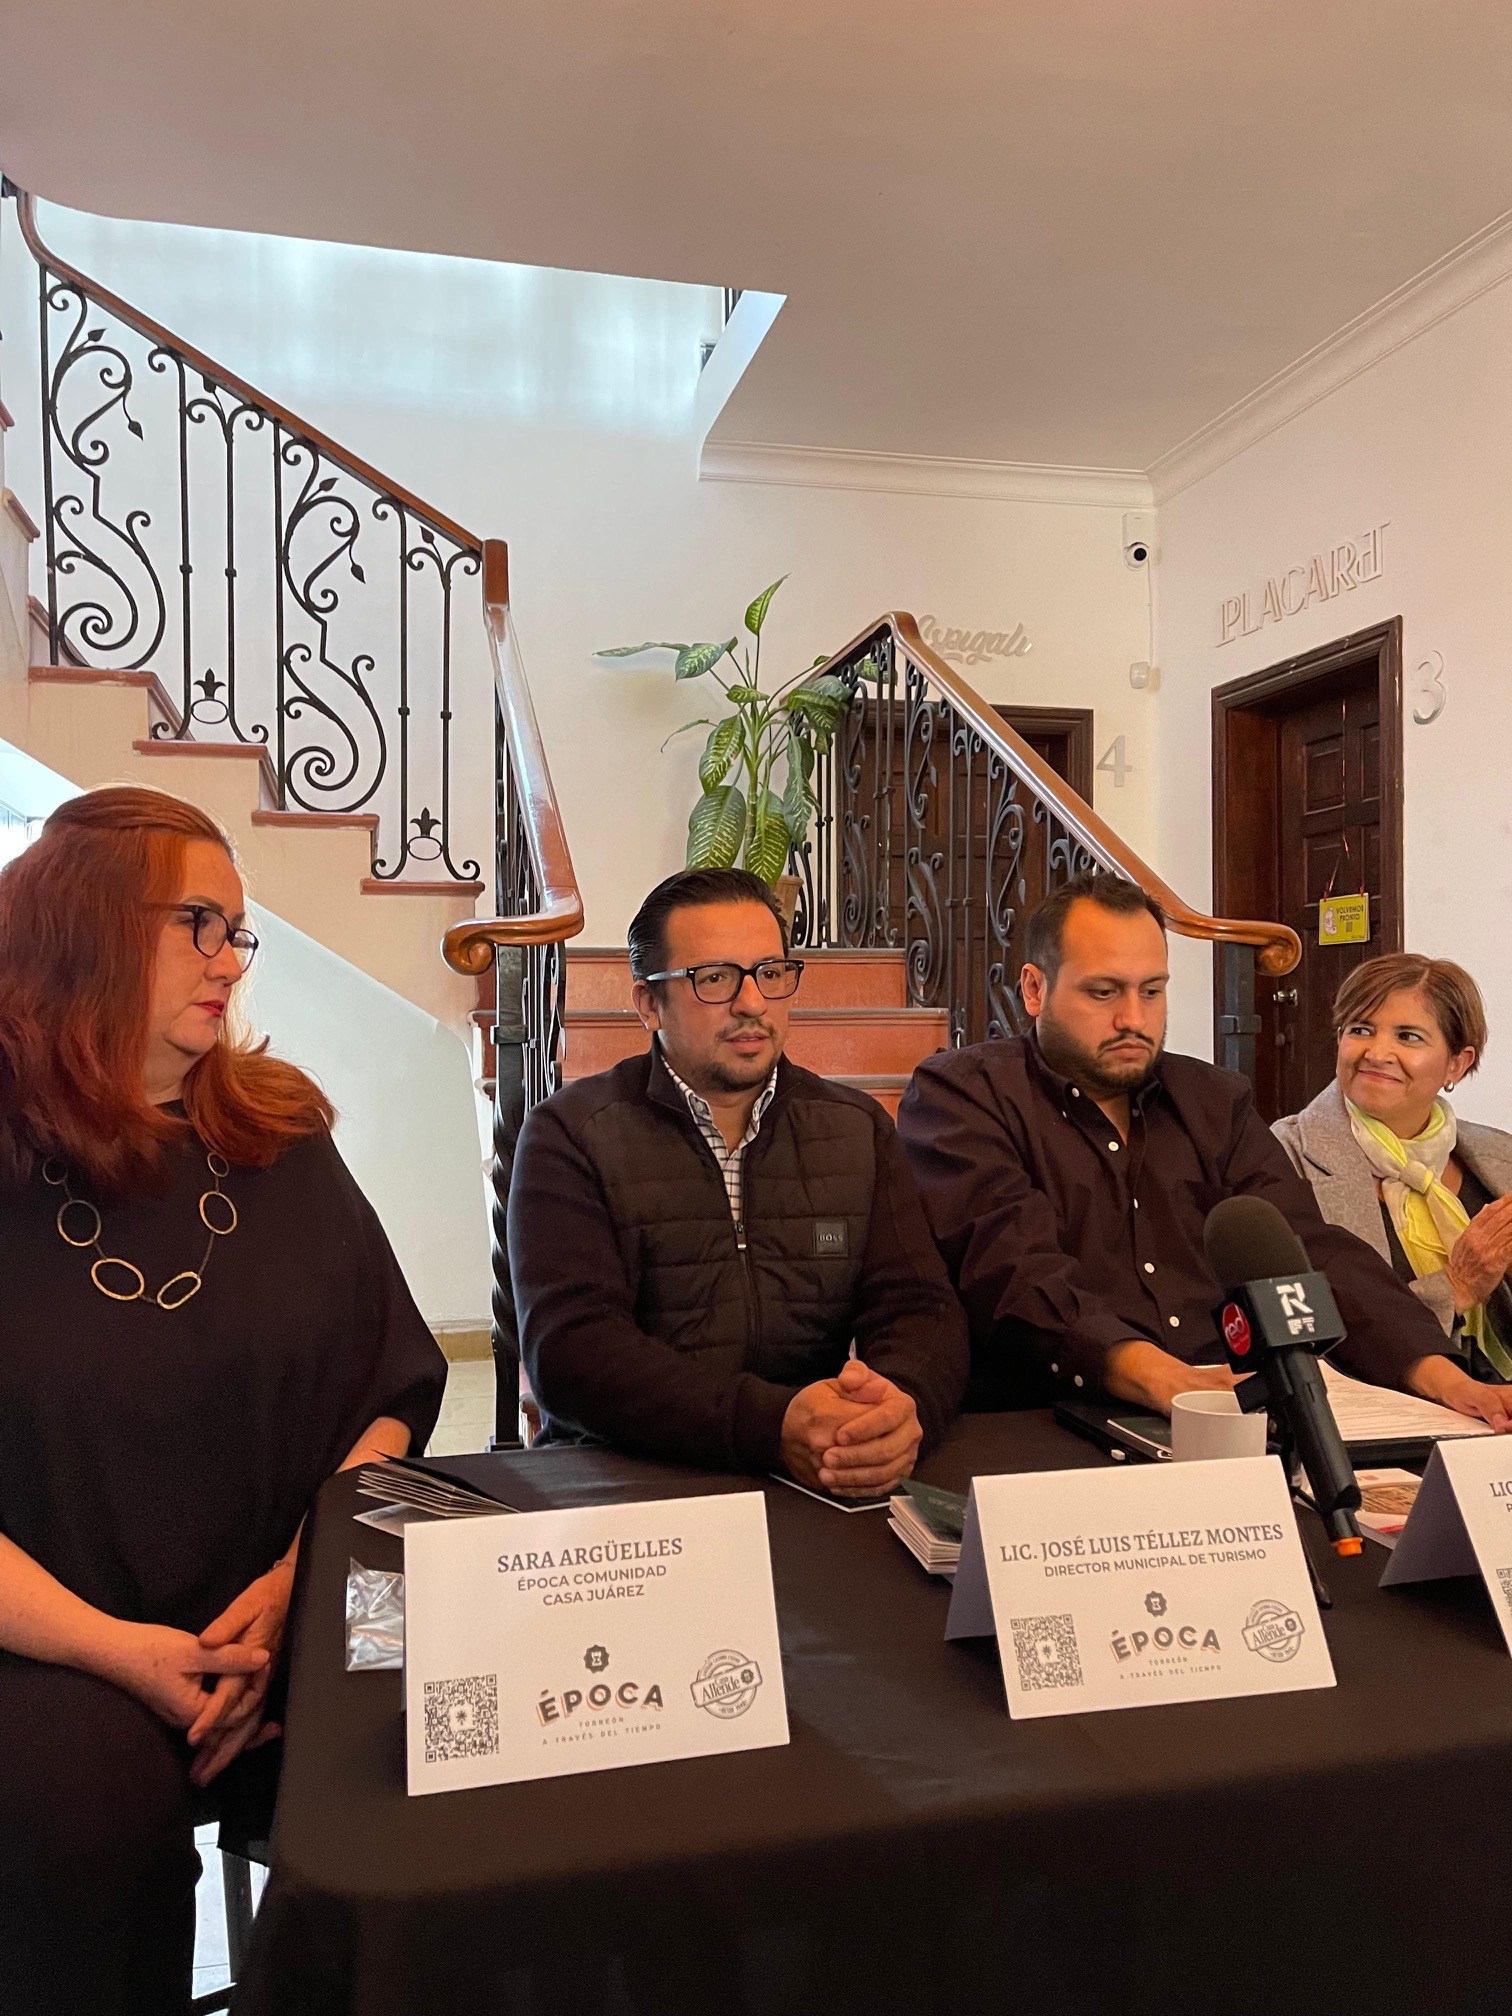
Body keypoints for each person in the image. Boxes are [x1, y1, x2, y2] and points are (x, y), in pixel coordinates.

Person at [0, 786, 447, 2016]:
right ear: (83, 925)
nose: (231, 960)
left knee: (460, 1731)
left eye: (236, 930)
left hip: (286, 1602)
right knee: (83, 1815)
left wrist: (301, 1585)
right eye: (198, 922)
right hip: (51, 1644)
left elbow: (389, 1390)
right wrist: (126, 1655)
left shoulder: (278, 1131)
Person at [896, 870, 1512, 1428]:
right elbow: (1012, 1270)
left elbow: (1311, 1252)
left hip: (1228, 1413)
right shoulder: (963, 1095)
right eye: (1103, 992)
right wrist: (1163, 1380)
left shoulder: (1213, 1100)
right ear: (1034, 989)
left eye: (1152, 991)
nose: (1133, 1019)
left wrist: (1445, 1379)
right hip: (1043, 1418)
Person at [508, 867, 968, 1496]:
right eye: (715, 978)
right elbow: (572, 1354)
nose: (752, 1003)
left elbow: (921, 1308)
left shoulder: (855, 1129)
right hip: (625, 1479)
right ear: (649, 1004)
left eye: (770, 973)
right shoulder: (571, 1134)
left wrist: (897, 1409)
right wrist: (770, 1425)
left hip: (811, 1475)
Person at [1274, 954, 1512, 1383]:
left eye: (1408, 1036)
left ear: (1456, 1064)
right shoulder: (1282, 1157)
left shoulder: (1501, 1157)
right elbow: (1308, 1336)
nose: (1377, 1053)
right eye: (1360, 1030)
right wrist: (1454, 1288)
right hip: (1377, 1409)